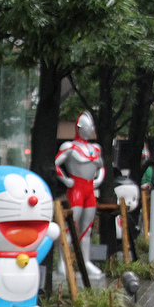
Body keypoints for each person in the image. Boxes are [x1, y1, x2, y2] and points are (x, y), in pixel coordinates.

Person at [55, 111, 105, 276]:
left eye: (92, 127)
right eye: (87, 127)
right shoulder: (69, 147)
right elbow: (56, 165)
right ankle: (62, 261)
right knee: (70, 226)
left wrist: (99, 179)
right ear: (79, 127)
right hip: (76, 189)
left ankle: (86, 261)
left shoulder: (95, 148)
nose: (90, 130)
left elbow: (102, 167)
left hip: (90, 189)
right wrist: (66, 180)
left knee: (87, 229)